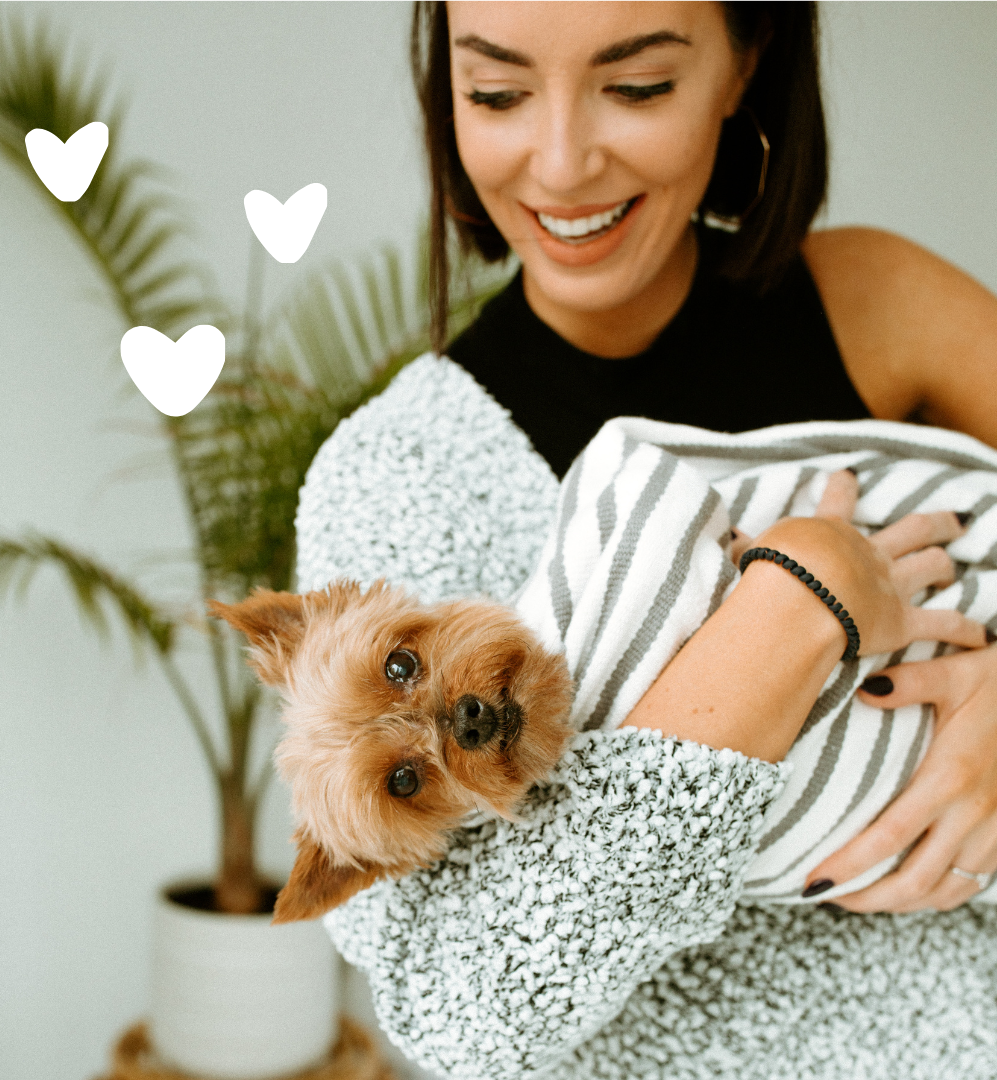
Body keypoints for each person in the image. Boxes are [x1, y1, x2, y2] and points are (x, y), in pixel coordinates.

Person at [292, 3, 997, 1076]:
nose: (562, 161)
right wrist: (798, 606)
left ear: (742, 67)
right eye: (497, 92)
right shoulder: (400, 474)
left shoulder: (879, 304)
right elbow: (459, 1015)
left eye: (637, 86)